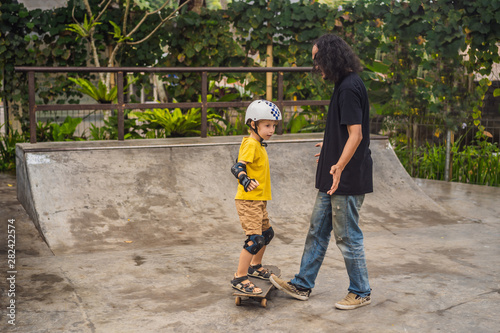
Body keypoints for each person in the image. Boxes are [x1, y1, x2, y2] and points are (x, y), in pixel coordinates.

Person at [270, 33, 373, 310]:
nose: (316, 66)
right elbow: (344, 133)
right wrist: (330, 146)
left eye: (318, 59)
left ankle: (360, 291)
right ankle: (302, 284)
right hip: (333, 177)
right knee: (317, 230)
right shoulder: (343, 85)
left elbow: (356, 134)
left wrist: (339, 164)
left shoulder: (350, 87)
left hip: (346, 178)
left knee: (348, 236)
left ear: (331, 57)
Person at [230, 100, 282, 294]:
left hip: (259, 200)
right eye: (267, 125)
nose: (271, 130)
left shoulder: (258, 144)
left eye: (273, 126)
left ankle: (255, 266)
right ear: (253, 124)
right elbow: (238, 166)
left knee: (266, 235)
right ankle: (240, 278)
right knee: (254, 240)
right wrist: (244, 179)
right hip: (248, 201)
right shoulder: (251, 144)